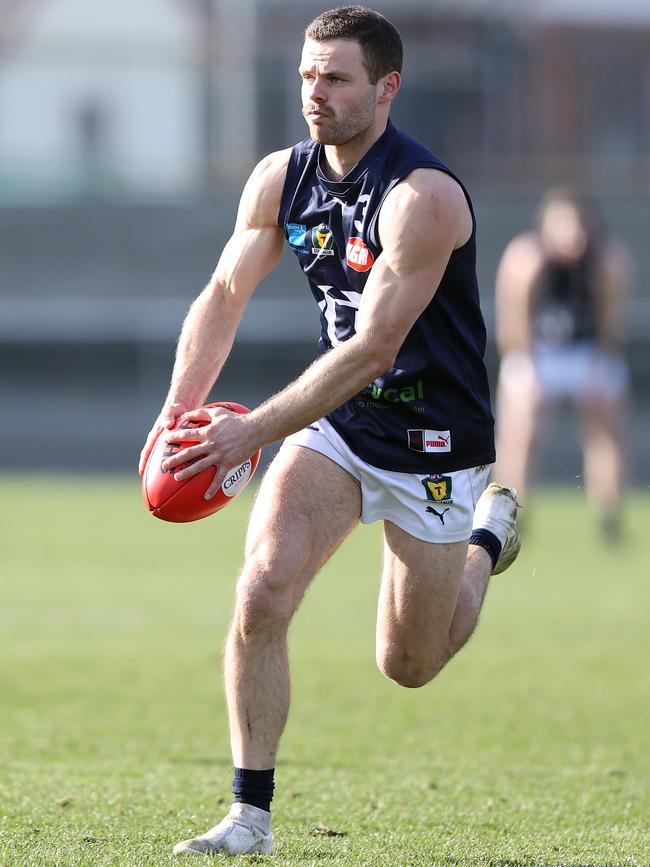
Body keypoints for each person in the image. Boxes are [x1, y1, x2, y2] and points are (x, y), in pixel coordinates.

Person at [138, 5, 520, 856]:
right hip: (338, 428)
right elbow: (224, 293)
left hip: (433, 443)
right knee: (263, 587)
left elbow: (372, 349)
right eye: (308, 75)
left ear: (386, 88)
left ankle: (488, 538)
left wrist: (250, 432)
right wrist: (178, 408)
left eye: (337, 77)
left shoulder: (424, 198)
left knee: (409, 663)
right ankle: (249, 815)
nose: (316, 93)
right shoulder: (281, 178)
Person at [493, 188, 630, 540]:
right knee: (522, 425)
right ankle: (510, 516)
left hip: (587, 352)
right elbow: (513, 328)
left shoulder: (606, 262)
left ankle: (610, 516)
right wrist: (528, 372)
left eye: (581, 225)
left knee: (607, 417)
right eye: (565, 225)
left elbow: (610, 325)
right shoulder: (527, 259)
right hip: (536, 353)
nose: (575, 235)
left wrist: (601, 371)